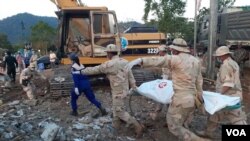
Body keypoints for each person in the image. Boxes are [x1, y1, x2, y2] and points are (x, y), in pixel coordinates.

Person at [126, 38, 209, 141]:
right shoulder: (195, 61)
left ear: (175, 50)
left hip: (180, 99)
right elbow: (199, 81)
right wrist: (200, 96)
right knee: (180, 121)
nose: (171, 51)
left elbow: (158, 61)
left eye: (172, 50)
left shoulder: (175, 59)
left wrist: (140, 60)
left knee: (173, 126)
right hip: (192, 98)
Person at [74, 44, 144, 137]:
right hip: (124, 90)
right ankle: (116, 128)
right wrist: (133, 86)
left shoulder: (110, 64)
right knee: (116, 109)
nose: (107, 55)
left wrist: (81, 71)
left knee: (119, 111)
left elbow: (96, 69)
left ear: (110, 54)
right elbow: (130, 76)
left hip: (118, 92)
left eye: (107, 53)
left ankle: (137, 126)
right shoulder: (125, 61)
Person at [197, 46, 247, 138]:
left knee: (231, 117)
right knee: (219, 114)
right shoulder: (234, 63)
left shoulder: (226, 65)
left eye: (218, 56)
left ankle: (208, 133)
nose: (218, 58)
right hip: (234, 96)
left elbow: (228, 84)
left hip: (227, 97)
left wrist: (219, 95)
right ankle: (208, 132)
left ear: (222, 56)